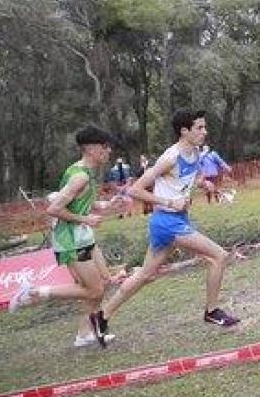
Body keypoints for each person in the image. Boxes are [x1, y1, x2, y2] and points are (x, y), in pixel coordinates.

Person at [92, 110, 241, 339]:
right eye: (199, 128)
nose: (205, 132)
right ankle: (212, 312)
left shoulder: (196, 153)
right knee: (218, 256)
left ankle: (102, 316)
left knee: (145, 275)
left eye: (204, 127)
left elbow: (189, 179)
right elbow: (135, 190)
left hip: (177, 220)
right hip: (167, 223)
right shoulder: (170, 156)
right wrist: (169, 201)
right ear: (184, 131)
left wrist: (205, 185)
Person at [9, 126, 131, 348]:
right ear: (91, 149)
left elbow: (83, 204)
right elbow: (54, 208)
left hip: (83, 237)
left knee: (98, 286)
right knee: (94, 290)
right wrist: (85, 220)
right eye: (105, 146)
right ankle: (35, 292)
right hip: (71, 240)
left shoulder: (87, 172)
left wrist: (107, 205)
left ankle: (84, 335)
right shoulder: (80, 176)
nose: (109, 151)